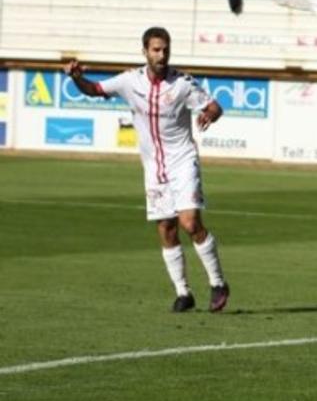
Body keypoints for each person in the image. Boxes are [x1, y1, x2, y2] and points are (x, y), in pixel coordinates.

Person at [62, 28, 229, 312]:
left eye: (165, 49)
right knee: (166, 228)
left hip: (182, 161)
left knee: (189, 223)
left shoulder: (182, 84)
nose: (162, 55)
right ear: (145, 51)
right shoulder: (130, 81)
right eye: (156, 50)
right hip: (153, 167)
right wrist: (77, 77)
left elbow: (215, 107)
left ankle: (217, 283)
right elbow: (95, 90)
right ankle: (184, 293)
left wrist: (209, 114)